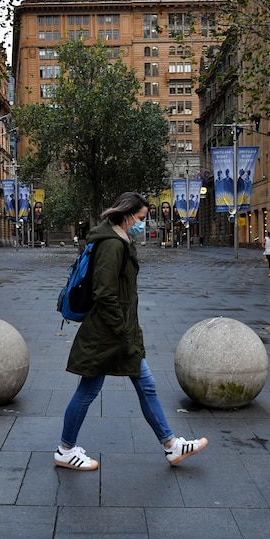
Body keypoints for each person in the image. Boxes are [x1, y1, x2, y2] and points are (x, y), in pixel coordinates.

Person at [55, 192, 208, 471]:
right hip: (108, 335)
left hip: (117, 331)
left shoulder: (120, 241)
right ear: (126, 216)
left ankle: (171, 445)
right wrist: (124, 333)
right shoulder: (113, 245)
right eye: (140, 218)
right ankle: (65, 449)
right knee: (89, 391)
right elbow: (105, 293)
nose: (143, 223)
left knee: (144, 385)